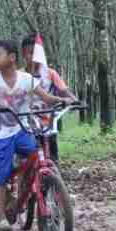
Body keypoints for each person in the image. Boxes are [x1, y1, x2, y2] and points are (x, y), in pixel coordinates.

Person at [0, 40, 73, 231]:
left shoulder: (26, 79)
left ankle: (28, 191)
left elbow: (46, 97)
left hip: (20, 129)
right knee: (0, 174)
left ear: (12, 57)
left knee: (36, 156)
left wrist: (64, 100)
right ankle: (2, 219)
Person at [20, 34, 77, 163]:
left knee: (52, 157)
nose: (33, 57)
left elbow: (65, 91)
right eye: (30, 53)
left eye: (36, 53)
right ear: (23, 54)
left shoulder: (50, 74)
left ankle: (53, 179)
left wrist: (73, 100)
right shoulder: (20, 75)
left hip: (48, 122)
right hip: (26, 122)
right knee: (27, 159)